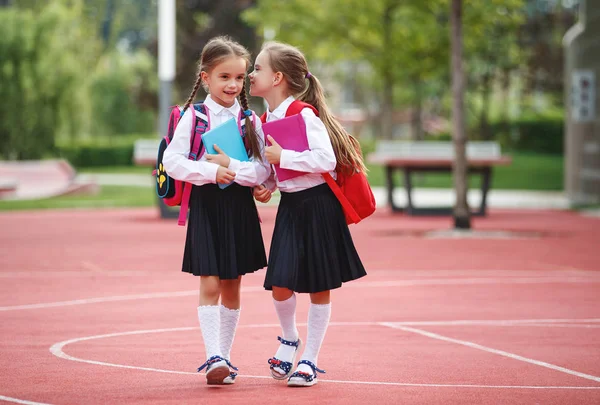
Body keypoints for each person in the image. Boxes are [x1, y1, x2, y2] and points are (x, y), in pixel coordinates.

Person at [249, 41, 367, 387]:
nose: (251, 75)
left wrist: (282, 158)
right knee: (280, 283)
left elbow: (325, 160)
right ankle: (289, 339)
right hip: (291, 207)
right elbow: (272, 165)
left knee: (318, 285)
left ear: (278, 77)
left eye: (257, 68)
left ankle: (310, 360)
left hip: (318, 206)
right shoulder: (263, 119)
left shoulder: (303, 113)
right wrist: (268, 184)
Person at [162, 36, 270, 385]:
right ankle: (214, 357)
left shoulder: (250, 120)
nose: (233, 85)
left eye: (239, 78)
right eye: (225, 77)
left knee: (232, 283)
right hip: (207, 207)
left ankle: (225, 356)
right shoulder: (192, 116)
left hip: (239, 207)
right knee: (209, 280)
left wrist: (235, 170)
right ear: (206, 78)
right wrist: (210, 171)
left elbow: (263, 169)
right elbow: (172, 161)